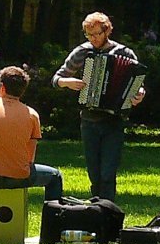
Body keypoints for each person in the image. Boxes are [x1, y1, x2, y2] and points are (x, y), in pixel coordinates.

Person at [0, 66, 65, 234]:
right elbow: (31, 158)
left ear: (2, 87)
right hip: (20, 177)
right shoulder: (32, 114)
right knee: (55, 177)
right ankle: (50, 230)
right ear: (22, 91)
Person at [52, 12, 145, 201]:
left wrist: (140, 93)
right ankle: (96, 211)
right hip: (89, 120)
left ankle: (108, 211)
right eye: (89, 34)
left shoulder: (124, 53)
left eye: (96, 34)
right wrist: (67, 82)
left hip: (114, 120)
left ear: (106, 31)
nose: (93, 39)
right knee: (94, 174)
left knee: (107, 174)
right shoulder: (82, 52)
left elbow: (136, 81)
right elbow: (56, 78)